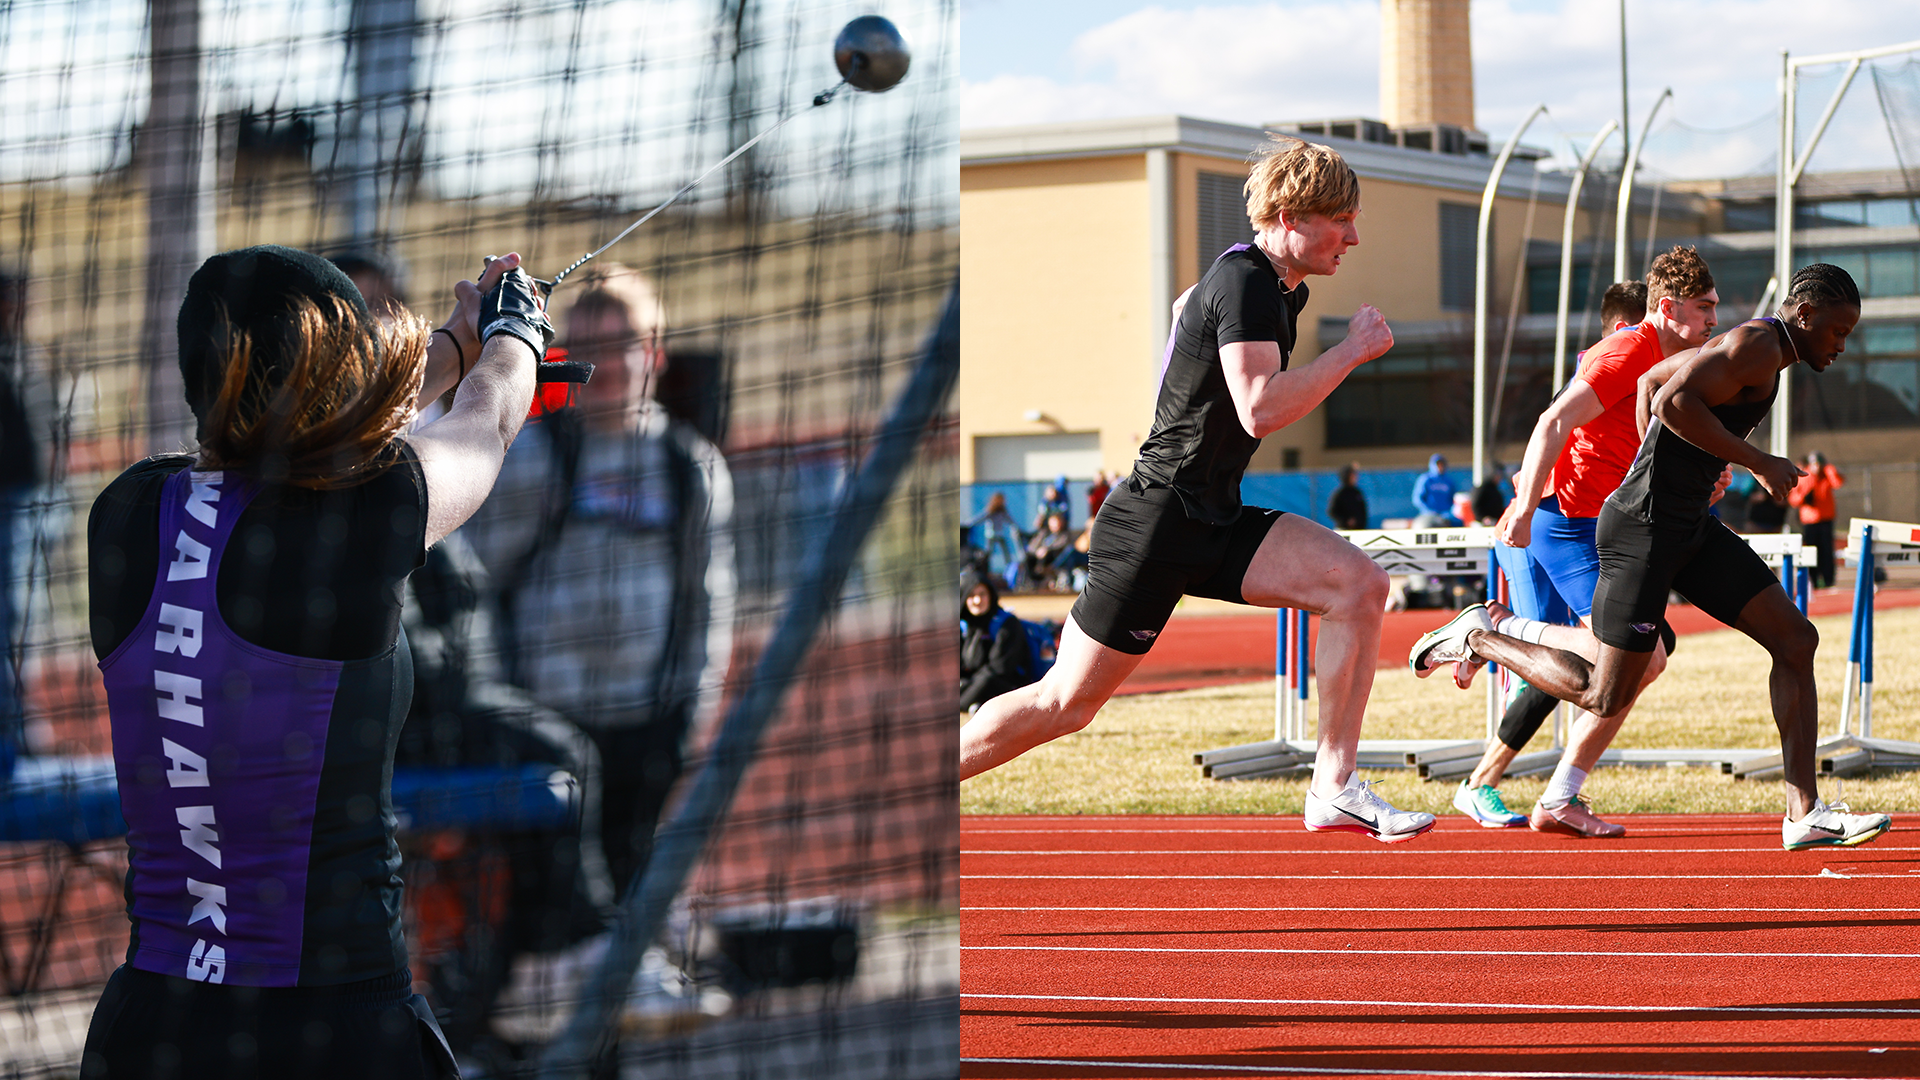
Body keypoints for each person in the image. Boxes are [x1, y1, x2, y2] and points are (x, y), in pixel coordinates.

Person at [81, 244, 548, 1077]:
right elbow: (488, 424)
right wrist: (515, 334)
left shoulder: (127, 511)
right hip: (332, 1028)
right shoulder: (359, 517)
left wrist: (454, 339)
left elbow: (310, 427)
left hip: (151, 1028)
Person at [961, 136, 1432, 842]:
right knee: (1064, 703)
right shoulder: (1245, 282)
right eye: (1341, 219)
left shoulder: (1266, 287)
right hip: (1156, 524)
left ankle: (1334, 786)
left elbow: (1186, 318)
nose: (1354, 237)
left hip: (1210, 517)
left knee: (1358, 586)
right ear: (1287, 212)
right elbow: (1262, 408)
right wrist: (1351, 352)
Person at [1418, 264, 1892, 851]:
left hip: (1687, 525)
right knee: (1604, 692)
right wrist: (1753, 461)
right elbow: (1670, 400)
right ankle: (1481, 636)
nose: (1841, 346)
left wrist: (1669, 467)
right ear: (1807, 315)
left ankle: (1803, 813)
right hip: (1642, 530)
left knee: (1795, 639)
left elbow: (1652, 388)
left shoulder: (1753, 346)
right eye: (1838, 332)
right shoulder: (1756, 345)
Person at [460, 262, 733, 904]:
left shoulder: (690, 466)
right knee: (547, 904)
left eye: (620, 348)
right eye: (584, 350)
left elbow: (709, 600)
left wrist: (694, 709)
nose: (602, 366)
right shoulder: (526, 457)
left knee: (633, 884)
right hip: (547, 717)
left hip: (650, 718)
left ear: (654, 355)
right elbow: (477, 583)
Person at [1437, 258, 1717, 837]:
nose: (1717, 319)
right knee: (1589, 663)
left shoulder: (1675, 369)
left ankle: (1553, 793)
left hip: (1600, 525)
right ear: (1661, 311)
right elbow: (1551, 422)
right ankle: (1491, 635)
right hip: (1555, 520)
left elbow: (1644, 448)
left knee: (1631, 660)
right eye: (1706, 307)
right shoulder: (1622, 354)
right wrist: (1521, 507)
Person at [0, 266, 36, 781]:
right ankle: (13, 737)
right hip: (6, 503)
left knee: (16, 621)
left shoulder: (16, 353)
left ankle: (18, 732)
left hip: (23, 500)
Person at [960, 574, 1037, 712]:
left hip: (1009, 686)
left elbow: (999, 668)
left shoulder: (1007, 624)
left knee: (987, 681)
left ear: (990, 596)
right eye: (971, 595)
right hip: (976, 683)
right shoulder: (963, 626)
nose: (977, 600)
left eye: (982, 594)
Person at [1789, 451, 1844, 588]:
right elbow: (1793, 499)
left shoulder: (1826, 476)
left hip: (1825, 519)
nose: (1816, 467)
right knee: (1811, 551)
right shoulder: (1804, 477)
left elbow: (1837, 483)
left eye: (1819, 464)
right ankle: (1813, 580)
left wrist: (1829, 469)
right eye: (1814, 464)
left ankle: (1828, 580)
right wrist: (1803, 498)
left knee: (1827, 551)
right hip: (1809, 521)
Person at [1412, 454, 1455, 527]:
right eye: (1437, 464)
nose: (1440, 467)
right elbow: (1417, 499)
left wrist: (1447, 512)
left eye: (1442, 464)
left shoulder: (1448, 481)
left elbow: (1453, 499)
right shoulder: (1426, 479)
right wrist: (1428, 511)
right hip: (1428, 517)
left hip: (1445, 517)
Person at [1328, 463, 1367, 530]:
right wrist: (1346, 521)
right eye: (1352, 475)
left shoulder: (1357, 493)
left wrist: (1359, 522)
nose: (1355, 477)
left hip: (1358, 530)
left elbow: (1362, 511)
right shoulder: (1340, 494)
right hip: (1344, 530)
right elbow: (1332, 511)